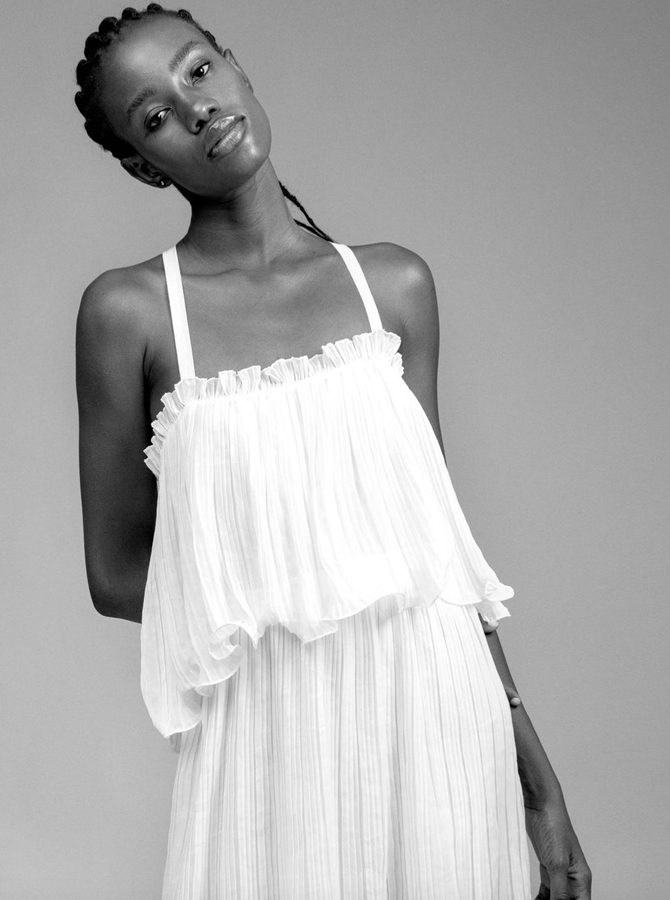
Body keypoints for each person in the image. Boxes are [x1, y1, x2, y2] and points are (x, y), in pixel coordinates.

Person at [74, 6, 591, 899]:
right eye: (155, 116)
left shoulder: (394, 284)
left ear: (237, 66)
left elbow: (442, 554)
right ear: (141, 163)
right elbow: (117, 577)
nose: (196, 109)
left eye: (198, 71)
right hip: (270, 735)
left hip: (437, 713)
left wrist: (537, 779)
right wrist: (288, 590)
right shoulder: (130, 313)